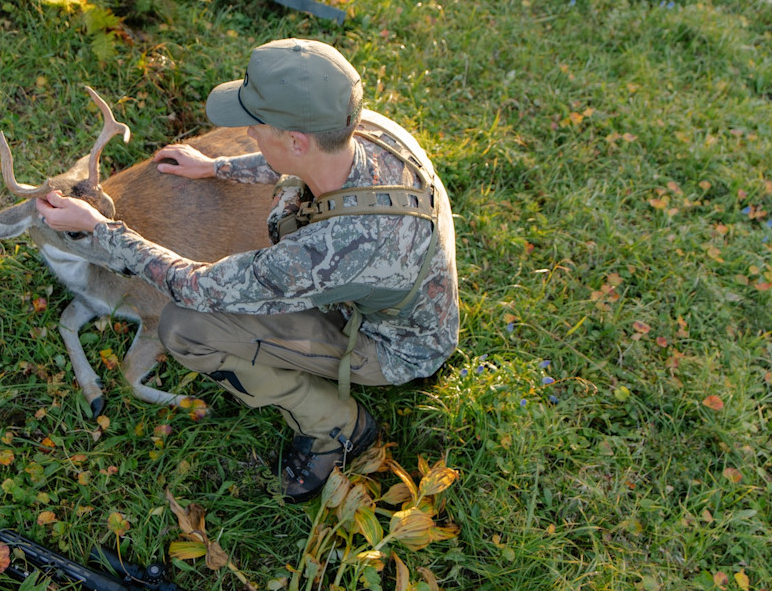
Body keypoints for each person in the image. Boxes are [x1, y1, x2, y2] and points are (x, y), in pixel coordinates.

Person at [35, 38, 460, 502]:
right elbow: (298, 164)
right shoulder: (369, 132)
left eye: (255, 127)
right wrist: (218, 166)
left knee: (185, 327)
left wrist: (100, 230)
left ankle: (335, 427)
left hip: (393, 345)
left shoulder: (329, 250)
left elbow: (197, 287)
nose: (247, 134)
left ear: (296, 139)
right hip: (400, 296)